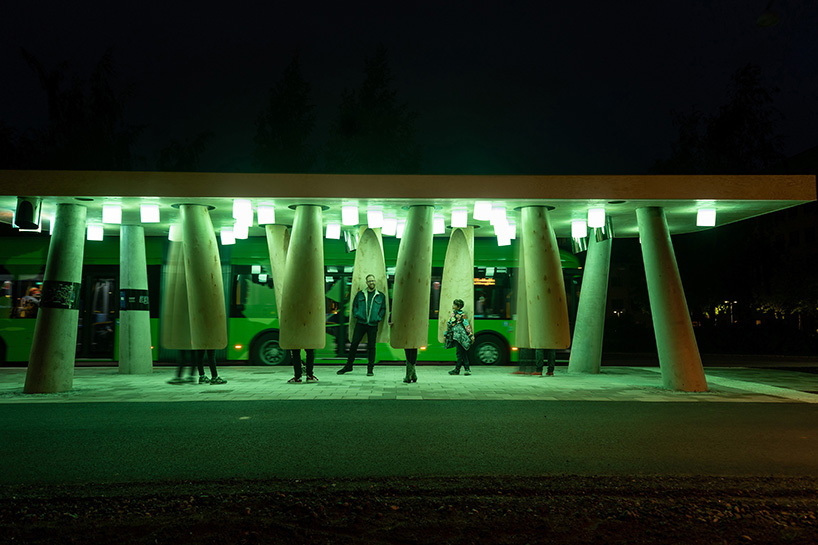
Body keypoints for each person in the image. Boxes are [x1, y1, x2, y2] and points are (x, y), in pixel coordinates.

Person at [337, 274, 386, 376]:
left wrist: (378, 318)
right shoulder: (360, 294)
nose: (371, 282)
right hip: (361, 323)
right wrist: (357, 315)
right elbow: (354, 306)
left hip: (373, 325)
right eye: (369, 281)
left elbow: (383, 309)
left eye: (373, 281)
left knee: (372, 347)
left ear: (375, 281)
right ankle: (348, 366)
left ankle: (370, 369)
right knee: (354, 344)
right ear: (366, 282)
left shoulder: (381, 296)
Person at [446, 299, 475, 376]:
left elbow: (465, 324)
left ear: (458, 307)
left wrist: (470, 334)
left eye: (454, 305)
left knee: (460, 353)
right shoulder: (459, 314)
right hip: (460, 335)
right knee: (463, 352)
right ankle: (466, 369)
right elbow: (465, 325)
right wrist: (470, 334)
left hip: (458, 336)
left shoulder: (458, 315)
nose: (453, 306)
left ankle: (457, 369)